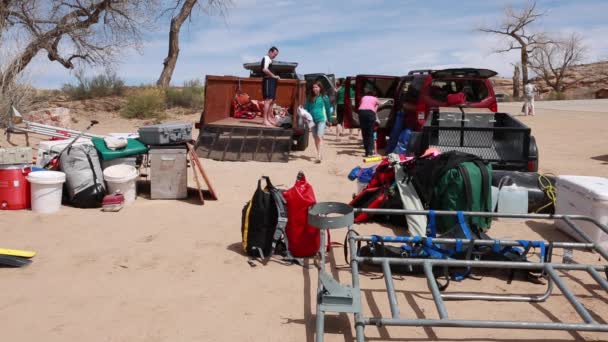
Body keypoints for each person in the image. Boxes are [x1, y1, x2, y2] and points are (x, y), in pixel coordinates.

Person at [305, 81, 333, 163]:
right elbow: (306, 108)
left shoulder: (324, 97)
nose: (315, 89)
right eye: (313, 87)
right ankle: (318, 152)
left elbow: (328, 109)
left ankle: (319, 155)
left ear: (320, 88)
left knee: (319, 136)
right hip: (311, 120)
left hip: (321, 119)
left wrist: (330, 121)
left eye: (316, 87)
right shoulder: (309, 97)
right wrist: (305, 115)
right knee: (315, 137)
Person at [261, 46, 280, 126]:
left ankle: (268, 118)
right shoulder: (266, 58)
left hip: (271, 81)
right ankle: (265, 120)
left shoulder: (270, 60)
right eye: (274, 54)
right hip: (268, 80)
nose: (275, 56)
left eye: (276, 55)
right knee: (268, 100)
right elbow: (264, 69)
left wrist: (275, 77)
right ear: (270, 52)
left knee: (271, 101)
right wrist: (274, 76)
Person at [358, 89, 380, 157]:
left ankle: (366, 151)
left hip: (361, 113)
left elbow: (360, 104)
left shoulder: (364, 97)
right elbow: (379, 104)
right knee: (370, 133)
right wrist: (375, 109)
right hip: (370, 113)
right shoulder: (375, 98)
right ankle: (370, 152)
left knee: (364, 132)